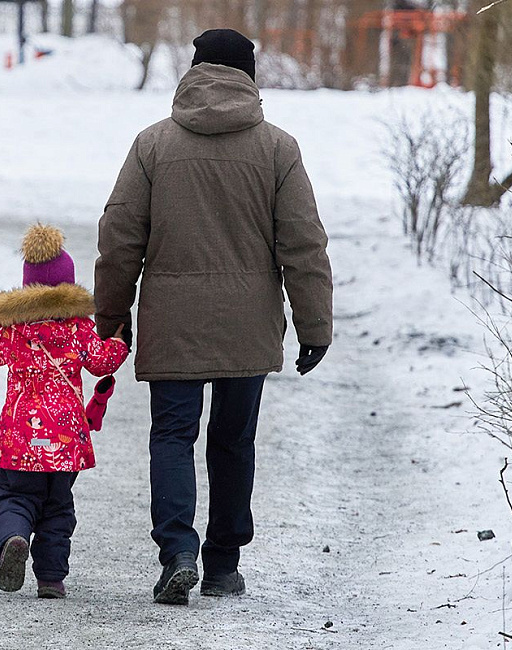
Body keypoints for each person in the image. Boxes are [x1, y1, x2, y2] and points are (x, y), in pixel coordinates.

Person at [94, 28, 334, 605]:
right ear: (248, 77)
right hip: (246, 324)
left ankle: (177, 552)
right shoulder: (278, 149)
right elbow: (303, 244)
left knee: (172, 436)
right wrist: (314, 326)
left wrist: (112, 313)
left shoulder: (153, 145)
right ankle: (223, 563)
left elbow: (120, 236)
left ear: (194, 73)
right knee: (233, 440)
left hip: (173, 323)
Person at [0, 224, 128, 599]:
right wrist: (118, 343)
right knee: (58, 509)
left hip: (20, 439)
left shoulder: (13, 330)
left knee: (12, 499)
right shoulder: (79, 329)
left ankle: (13, 539)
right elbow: (101, 362)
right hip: (65, 443)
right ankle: (50, 577)